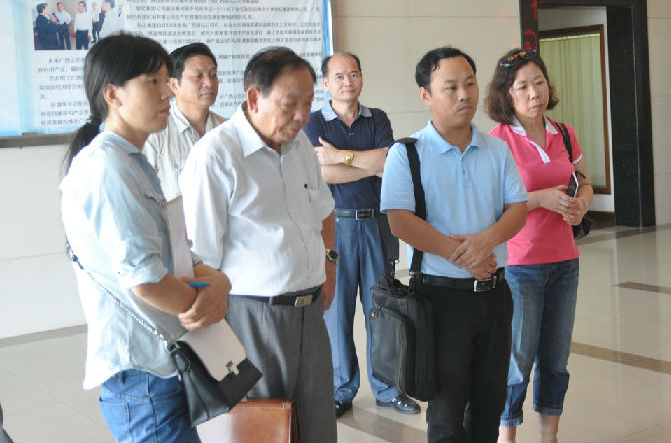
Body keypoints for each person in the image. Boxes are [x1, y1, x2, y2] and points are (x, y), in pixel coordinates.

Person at [59, 34, 231, 443]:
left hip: (162, 366)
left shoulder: (131, 160)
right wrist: (207, 303)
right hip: (145, 373)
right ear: (113, 94)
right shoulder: (108, 167)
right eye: (151, 82)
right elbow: (146, 279)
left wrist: (219, 282)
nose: (166, 92)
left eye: (164, 80)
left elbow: (171, 254)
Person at [179, 47, 338, 443]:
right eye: (290, 104)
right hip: (253, 315)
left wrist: (329, 263)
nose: (302, 116)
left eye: (308, 103)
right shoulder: (216, 155)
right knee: (263, 428)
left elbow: (323, 210)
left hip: (310, 310)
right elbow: (200, 256)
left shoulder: (301, 146)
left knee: (317, 425)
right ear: (254, 98)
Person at [381, 46, 528, 443]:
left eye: (470, 84)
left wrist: (485, 242)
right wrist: (463, 257)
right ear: (425, 94)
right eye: (450, 87)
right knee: (446, 413)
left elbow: (517, 209)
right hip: (439, 299)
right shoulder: (407, 153)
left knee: (489, 406)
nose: (464, 95)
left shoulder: (497, 149)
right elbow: (400, 221)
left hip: (495, 296)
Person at [303, 52, 421, 418]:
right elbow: (322, 174)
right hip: (335, 227)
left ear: (361, 77)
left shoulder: (378, 118)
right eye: (339, 76)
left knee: (382, 308)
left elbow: (389, 163)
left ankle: (388, 387)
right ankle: (341, 389)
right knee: (337, 313)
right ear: (326, 83)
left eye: (353, 74)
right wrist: (367, 163)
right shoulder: (313, 122)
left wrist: (342, 156)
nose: (347, 81)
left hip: (376, 225)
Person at [485, 49, 593, 443]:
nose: (535, 93)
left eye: (540, 82)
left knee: (556, 358)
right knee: (517, 358)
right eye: (523, 87)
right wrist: (540, 199)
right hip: (520, 264)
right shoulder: (497, 141)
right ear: (507, 94)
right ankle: (507, 436)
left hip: (565, 261)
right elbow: (493, 206)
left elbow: (582, 181)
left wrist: (582, 204)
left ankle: (550, 436)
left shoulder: (563, 132)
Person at [144, 42, 224, 201]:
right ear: (174, 85)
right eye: (198, 76)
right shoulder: (154, 133)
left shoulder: (226, 129)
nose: (209, 83)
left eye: (213, 75)